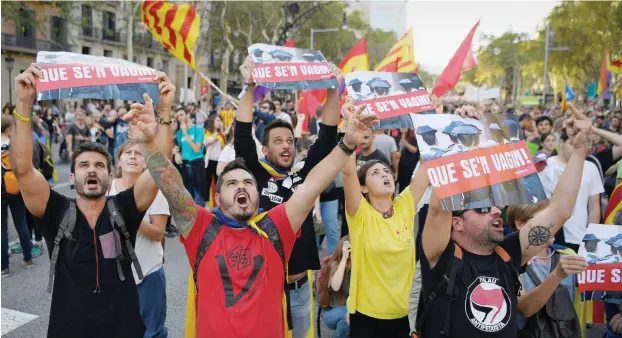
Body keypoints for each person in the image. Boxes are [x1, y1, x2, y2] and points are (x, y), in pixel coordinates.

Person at [125, 81, 379, 337]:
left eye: (248, 182)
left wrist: (347, 142)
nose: (241, 187)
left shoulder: (277, 226)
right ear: (218, 195)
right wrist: (149, 145)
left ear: (258, 194)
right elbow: (171, 185)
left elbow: (313, 184)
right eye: (232, 183)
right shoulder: (201, 227)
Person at [10, 64, 167, 338]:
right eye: (84, 165)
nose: (91, 169)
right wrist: (23, 104)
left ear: (110, 175)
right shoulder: (57, 211)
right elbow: (23, 169)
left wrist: (163, 113)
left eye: (98, 165)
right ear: (72, 176)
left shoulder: (123, 209)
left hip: (124, 329)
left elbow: (159, 171)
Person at [416, 106, 591, 338]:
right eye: (483, 209)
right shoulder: (441, 256)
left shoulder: (508, 253)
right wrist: (458, 135)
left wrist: (579, 151)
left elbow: (559, 210)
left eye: (495, 205)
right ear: (456, 223)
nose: (497, 211)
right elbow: (439, 207)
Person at [234, 56, 342, 338]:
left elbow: (329, 137)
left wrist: (333, 87)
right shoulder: (256, 174)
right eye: (278, 142)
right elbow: (242, 135)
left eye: (290, 142)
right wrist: (250, 86)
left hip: (298, 289)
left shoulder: (303, 174)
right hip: (262, 287)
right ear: (266, 150)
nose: (286, 146)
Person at [341, 96, 429, 338]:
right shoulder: (360, 214)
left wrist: (430, 119)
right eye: (375, 173)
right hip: (366, 317)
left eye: (386, 171)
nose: (385, 174)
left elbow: (429, 165)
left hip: (401, 316)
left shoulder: (404, 206)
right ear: (364, 188)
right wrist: (351, 128)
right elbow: (348, 171)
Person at [109, 140, 171, 338]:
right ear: (118, 162)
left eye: (139, 153)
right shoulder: (106, 190)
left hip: (148, 272)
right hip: (113, 273)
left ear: (145, 163)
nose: (133, 156)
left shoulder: (155, 191)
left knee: (152, 330)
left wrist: (128, 217)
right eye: (128, 153)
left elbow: (159, 233)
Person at [507, 202, 587, 337]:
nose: (553, 224)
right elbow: (525, 309)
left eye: (555, 218)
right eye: (545, 219)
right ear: (520, 224)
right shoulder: (508, 260)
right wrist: (556, 275)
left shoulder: (567, 254)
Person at [539, 129, 604, 252]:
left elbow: (594, 205)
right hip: (552, 235)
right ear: (562, 143)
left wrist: (592, 235)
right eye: (572, 144)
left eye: (580, 145)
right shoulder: (545, 166)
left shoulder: (591, 167)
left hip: (580, 236)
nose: (576, 149)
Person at [1, 115, 41, 277]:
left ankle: (4, 268)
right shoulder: (15, 144)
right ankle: (28, 258)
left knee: (2, 228)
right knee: (21, 223)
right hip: (16, 187)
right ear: (9, 128)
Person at [318, 237, 352, 338]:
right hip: (332, 310)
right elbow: (335, 286)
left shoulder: (360, 266)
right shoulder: (333, 264)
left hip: (351, 308)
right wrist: (344, 259)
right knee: (348, 318)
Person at [175, 105, 206, 206]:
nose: (179, 118)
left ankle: (201, 220)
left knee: (199, 197)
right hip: (185, 166)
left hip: (197, 165)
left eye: (181, 115)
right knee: (187, 198)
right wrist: (177, 153)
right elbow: (180, 149)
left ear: (187, 115)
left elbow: (196, 149)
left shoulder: (199, 129)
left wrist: (185, 133)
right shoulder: (179, 134)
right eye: (177, 116)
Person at [204, 114, 227, 206]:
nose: (219, 122)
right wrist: (212, 139)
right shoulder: (206, 133)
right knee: (207, 183)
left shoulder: (221, 135)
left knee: (219, 183)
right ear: (212, 122)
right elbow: (204, 145)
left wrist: (220, 132)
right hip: (209, 161)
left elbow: (224, 148)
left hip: (219, 162)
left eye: (220, 121)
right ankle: (206, 204)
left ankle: (219, 203)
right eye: (217, 120)